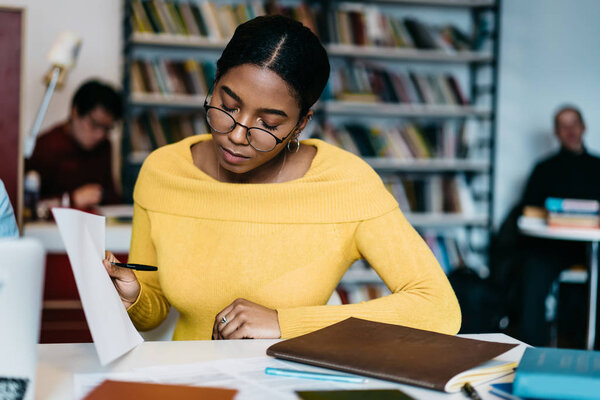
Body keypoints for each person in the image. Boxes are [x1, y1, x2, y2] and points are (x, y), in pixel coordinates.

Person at [103, 15, 461, 341]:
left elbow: (438, 308)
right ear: (213, 85)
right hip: (189, 384)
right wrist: (134, 297)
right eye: (227, 106)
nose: (238, 134)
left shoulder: (345, 184)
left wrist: (285, 324)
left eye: (269, 124)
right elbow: (153, 313)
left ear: (300, 124)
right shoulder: (163, 171)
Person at [518, 105, 600, 346]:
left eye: (573, 123)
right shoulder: (544, 169)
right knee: (532, 271)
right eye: (563, 125)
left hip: (593, 247)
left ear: (583, 127)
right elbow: (528, 211)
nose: (570, 130)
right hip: (552, 247)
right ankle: (531, 350)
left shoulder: (598, 166)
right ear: (557, 132)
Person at [26, 80, 122, 210]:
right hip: (51, 228)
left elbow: (112, 199)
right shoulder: (45, 147)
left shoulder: (104, 146)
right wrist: (72, 199)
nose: (100, 135)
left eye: (107, 129)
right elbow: (25, 204)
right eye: (94, 125)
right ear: (75, 112)